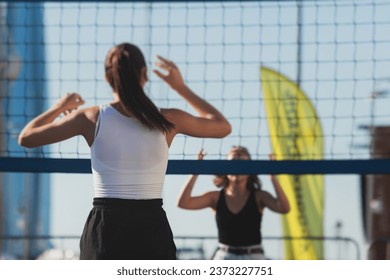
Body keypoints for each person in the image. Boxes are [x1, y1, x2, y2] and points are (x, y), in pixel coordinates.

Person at [18, 42, 231, 260]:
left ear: (107, 78)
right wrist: (180, 87)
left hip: (105, 231)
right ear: (145, 74)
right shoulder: (168, 120)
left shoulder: (90, 118)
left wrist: (60, 107)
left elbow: (26, 137)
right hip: (151, 229)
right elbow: (222, 126)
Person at [177, 146, 290, 260]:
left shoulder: (259, 196)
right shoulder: (215, 197)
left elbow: (284, 208)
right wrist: (195, 172)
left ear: (250, 170)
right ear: (226, 169)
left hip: (254, 256)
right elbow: (183, 203)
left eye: (241, 163)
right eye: (233, 162)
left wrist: (273, 177)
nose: (237, 166)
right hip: (224, 256)